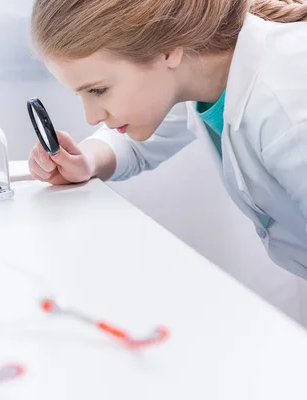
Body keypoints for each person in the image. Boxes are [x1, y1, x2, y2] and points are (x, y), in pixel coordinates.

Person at [27, 0, 307, 280]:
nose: (92, 117)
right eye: (82, 94)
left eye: (99, 90)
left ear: (167, 51)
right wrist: (85, 160)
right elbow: (135, 143)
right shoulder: (199, 74)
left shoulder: (287, 107)